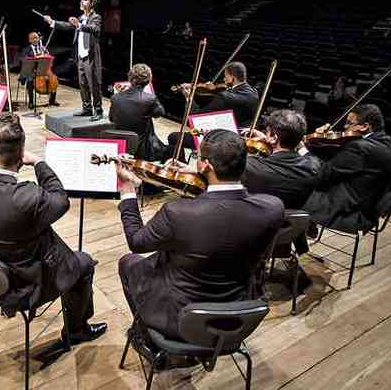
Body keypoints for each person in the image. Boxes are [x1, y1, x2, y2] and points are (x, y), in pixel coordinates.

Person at [116, 129, 283, 345]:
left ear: (205, 165)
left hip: (182, 319)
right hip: (240, 313)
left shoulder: (177, 213)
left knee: (128, 262)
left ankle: (146, 337)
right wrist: (201, 180)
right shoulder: (273, 208)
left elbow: (137, 242)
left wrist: (127, 189)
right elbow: (228, 208)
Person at [0, 113, 107, 344]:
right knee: (83, 263)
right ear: (20, 154)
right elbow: (60, 200)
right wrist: (39, 163)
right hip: (21, 285)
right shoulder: (26, 198)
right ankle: (76, 331)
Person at [241, 109, 321, 290]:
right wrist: (271, 138)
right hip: (287, 232)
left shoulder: (252, 168)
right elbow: (304, 152)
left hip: (254, 234)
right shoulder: (314, 166)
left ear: (274, 137)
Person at [303, 104, 391, 233]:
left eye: (349, 123)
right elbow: (344, 164)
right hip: (364, 202)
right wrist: (321, 141)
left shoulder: (360, 148)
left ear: (365, 126)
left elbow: (323, 174)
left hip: (348, 210)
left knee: (292, 191)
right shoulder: (385, 142)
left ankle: (300, 235)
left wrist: (303, 149)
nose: (345, 127)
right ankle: (304, 233)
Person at [168, 61, 258, 161]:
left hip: (221, 141)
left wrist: (189, 99)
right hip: (241, 139)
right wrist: (210, 90)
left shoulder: (225, 97)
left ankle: (181, 166)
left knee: (174, 137)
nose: (224, 79)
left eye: (226, 76)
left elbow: (197, 116)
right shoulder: (254, 93)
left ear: (233, 77)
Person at [43, 0, 103, 120]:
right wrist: (52, 22)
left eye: (85, 0)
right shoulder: (80, 17)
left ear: (91, 3)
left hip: (90, 56)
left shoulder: (96, 17)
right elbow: (67, 26)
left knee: (94, 84)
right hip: (80, 56)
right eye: (81, 0)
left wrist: (79, 25)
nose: (82, 2)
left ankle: (98, 110)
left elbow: (94, 29)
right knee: (82, 83)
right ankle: (87, 108)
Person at [109, 63, 167, 162]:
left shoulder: (115, 97)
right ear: (148, 81)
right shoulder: (150, 99)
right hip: (142, 150)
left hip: (121, 146)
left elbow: (111, 118)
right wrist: (152, 98)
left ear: (130, 79)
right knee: (172, 151)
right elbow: (160, 113)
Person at [20, 32, 58, 108]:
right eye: (33, 38)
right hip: (32, 71)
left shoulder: (43, 48)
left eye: (36, 38)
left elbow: (49, 60)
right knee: (30, 80)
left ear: (39, 39)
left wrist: (46, 54)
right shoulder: (26, 50)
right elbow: (24, 61)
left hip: (44, 70)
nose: (35, 40)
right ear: (29, 40)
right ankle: (31, 102)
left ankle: (52, 100)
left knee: (54, 79)